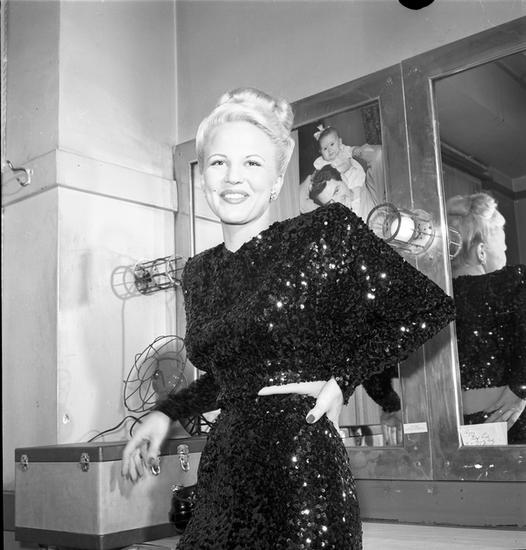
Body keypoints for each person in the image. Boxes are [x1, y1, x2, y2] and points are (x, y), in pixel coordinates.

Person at [122, 87, 455, 549]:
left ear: (277, 181)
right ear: (203, 178)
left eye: (252, 163)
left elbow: (428, 307)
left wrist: (342, 380)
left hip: (301, 469)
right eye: (219, 162)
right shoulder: (198, 272)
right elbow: (234, 378)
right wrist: (165, 413)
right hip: (224, 470)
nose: (233, 177)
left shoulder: (324, 231)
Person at [447, 192, 526, 444]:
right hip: (510, 422)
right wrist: (521, 387)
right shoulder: (511, 283)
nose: (505, 251)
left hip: (447, 431)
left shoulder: (428, 299)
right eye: (503, 246)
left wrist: (391, 405)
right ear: (481, 251)